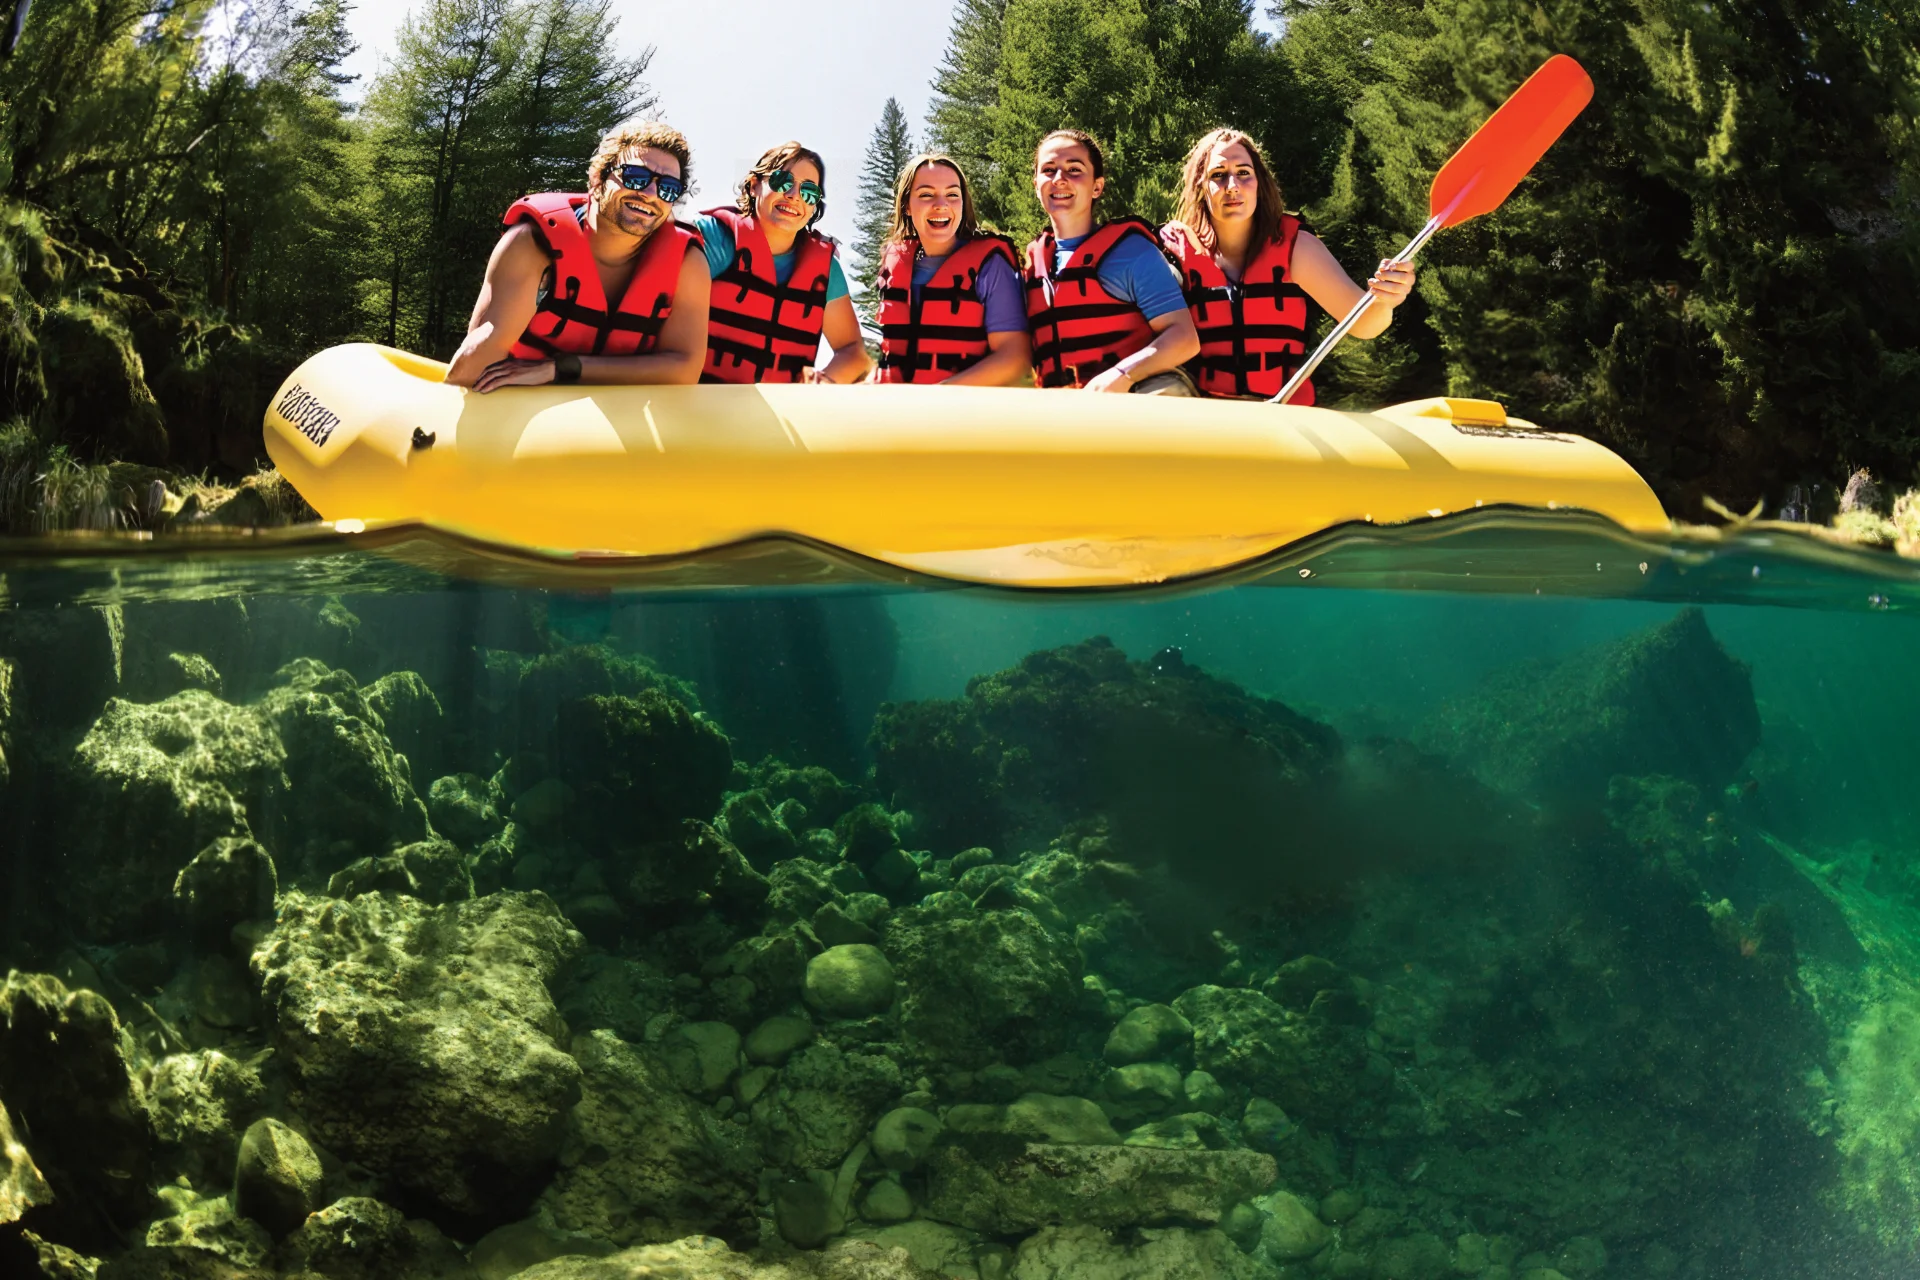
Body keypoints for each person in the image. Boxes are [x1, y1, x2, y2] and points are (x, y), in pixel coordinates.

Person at [448, 122, 709, 392]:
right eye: (635, 177)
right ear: (597, 179)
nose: (650, 194)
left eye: (668, 188)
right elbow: (479, 357)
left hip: (622, 419)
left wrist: (558, 368)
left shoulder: (687, 262)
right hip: (521, 403)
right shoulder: (534, 242)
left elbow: (684, 369)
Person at [1160, 128, 1416, 403]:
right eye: (1218, 175)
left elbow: (1365, 324)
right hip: (1205, 419)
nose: (1232, 185)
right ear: (1201, 186)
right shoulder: (1172, 253)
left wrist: (1385, 300)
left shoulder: (1297, 247)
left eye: (1244, 172)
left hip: (1284, 418)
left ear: (1260, 183)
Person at [1022, 129, 1201, 394]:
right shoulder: (1031, 265)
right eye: (1049, 170)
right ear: (1036, 184)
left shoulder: (1132, 253)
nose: (1060, 179)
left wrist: (1122, 375)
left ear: (1097, 187)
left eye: (1074, 169)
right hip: (1060, 414)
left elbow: (1185, 339)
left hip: (1130, 405)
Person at [697, 143, 870, 384]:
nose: (794, 196)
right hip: (699, 404)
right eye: (782, 182)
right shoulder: (714, 238)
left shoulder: (826, 270)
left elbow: (852, 351)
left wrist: (825, 383)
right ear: (755, 185)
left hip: (782, 415)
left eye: (809, 192)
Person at [869, 155, 1031, 386]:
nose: (941, 204)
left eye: (952, 195)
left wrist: (938, 396)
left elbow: (1014, 357)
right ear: (906, 206)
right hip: (901, 412)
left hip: (966, 413)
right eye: (926, 194)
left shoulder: (991, 265)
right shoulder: (895, 265)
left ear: (963, 204)